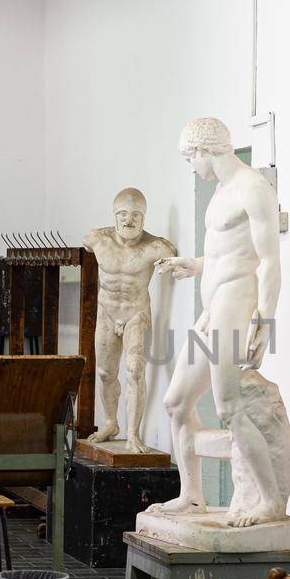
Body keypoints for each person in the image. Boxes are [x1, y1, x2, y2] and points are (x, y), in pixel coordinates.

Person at [149, 117, 290, 526]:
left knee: (229, 407)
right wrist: (191, 265)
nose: (192, 167)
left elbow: (267, 261)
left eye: (190, 158)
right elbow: (227, 252)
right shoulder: (222, 191)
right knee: (176, 402)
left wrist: (264, 319)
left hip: (236, 303)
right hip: (212, 306)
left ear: (204, 150)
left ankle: (269, 500)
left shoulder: (254, 188)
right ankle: (191, 494)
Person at [83, 187, 175, 450]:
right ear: (114, 216)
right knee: (104, 373)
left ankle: (133, 434)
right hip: (107, 313)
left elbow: (172, 253)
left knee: (135, 371)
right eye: (122, 214)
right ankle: (111, 422)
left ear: (144, 218)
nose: (128, 220)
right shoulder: (97, 240)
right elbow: (87, 242)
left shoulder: (155, 247)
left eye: (135, 215)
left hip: (136, 314)